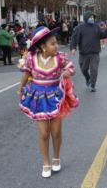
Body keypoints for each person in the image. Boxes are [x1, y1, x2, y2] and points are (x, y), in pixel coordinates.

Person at [17, 26, 79, 178]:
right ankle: (46, 163)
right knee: (44, 134)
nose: (56, 46)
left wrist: (66, 72)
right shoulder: (31, 58)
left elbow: (72, 69)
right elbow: (27, 74)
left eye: (56, 43)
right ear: (43, 47)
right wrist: (20, 89)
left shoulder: (60, 58)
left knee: (56, 132)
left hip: (56, 97)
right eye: (53, 43)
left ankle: (56, 158)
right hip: (37, 98)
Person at [70, 11, 107, 92]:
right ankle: (87, 78)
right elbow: (74, 38)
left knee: (94, 70)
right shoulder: (80, 28)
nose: (92, 19)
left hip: (95, 53)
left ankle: (92, 85)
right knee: (84, 69)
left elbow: (102, 35)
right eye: (90, 17)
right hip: (84, 53)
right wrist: (73, 48)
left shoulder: (96, 27)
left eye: (93, 17)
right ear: (86, 18)